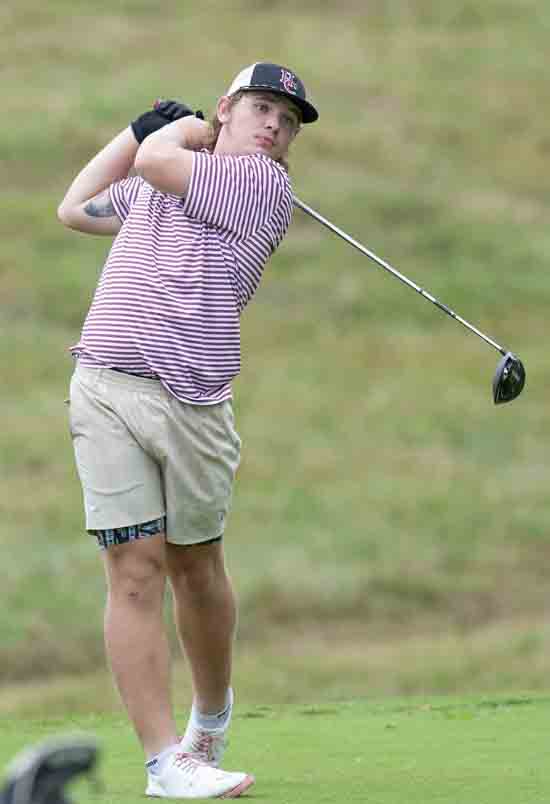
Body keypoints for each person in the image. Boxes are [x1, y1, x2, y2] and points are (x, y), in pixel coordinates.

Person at [57, 62, 319, 799]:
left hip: (194, 405)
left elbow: (155, 162)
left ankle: (211, 720)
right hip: (106, 387)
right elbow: (75, 209)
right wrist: (140, 130)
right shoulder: (165, 178)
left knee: (194, 568)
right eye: (262, 108)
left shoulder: (263, 187)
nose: (274, 125)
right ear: (228, 110)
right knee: (133, 567)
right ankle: (164, 760)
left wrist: (172, 134)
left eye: (288, 120)